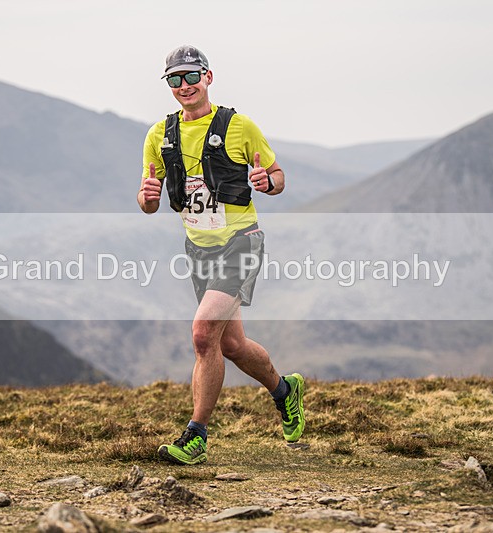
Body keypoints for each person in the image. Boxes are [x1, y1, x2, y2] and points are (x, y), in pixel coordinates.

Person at [137, 45, 305, 465]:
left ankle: (196, 436)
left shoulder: (238, 126)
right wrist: (146, 196)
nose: (184, 86)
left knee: (202, 333)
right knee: (231, 344)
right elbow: (148, 199)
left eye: (191, 76)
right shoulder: (159, 135)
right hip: (199, 249)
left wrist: (269, 182)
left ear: (208, 77)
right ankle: (285, 391)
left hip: (241, 242)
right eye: (175, 79)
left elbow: (279, 176)